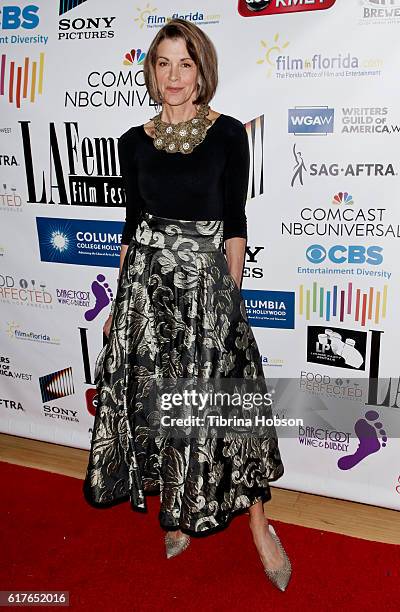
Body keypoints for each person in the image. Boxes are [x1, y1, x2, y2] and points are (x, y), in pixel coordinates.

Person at [83, 18, 291, 592]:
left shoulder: (227, 134)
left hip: (206, 290)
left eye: (186, 63)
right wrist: (118, 307)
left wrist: (231, 297)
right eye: (163, 63)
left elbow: (234, 224)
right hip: (147, 295)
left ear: (202, 70)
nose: (173, 76)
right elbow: (131, 228)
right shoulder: (133, 141)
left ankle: (258, 525)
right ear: (151, 72)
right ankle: (177, 509)